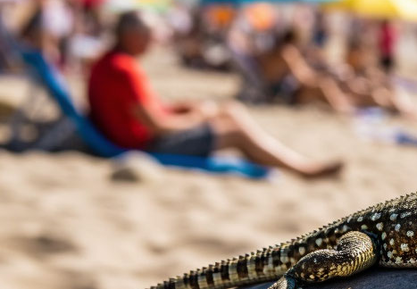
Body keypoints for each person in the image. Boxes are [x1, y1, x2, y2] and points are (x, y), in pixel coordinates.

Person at [88, 11, 343, 179]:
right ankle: (302, 169)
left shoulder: (108, 63)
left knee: (230, 110)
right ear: (133, 36)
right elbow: (158, 127)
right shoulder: (123, 69)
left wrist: (184, 108)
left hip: (137, 137)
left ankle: (293, 164)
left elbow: (139, 111)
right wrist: (198, 117)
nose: (155, 41)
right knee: (235, 130)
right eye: (150, 35)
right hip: (147, 146)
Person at [259, 27, 355, 114]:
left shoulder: (280, 52)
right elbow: (303, 78)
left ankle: (345, 106)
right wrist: (324, 76)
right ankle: (343, 109)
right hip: (280, 94)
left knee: (326, 85)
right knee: (323, 86)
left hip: (279, 91)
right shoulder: (288, 53)